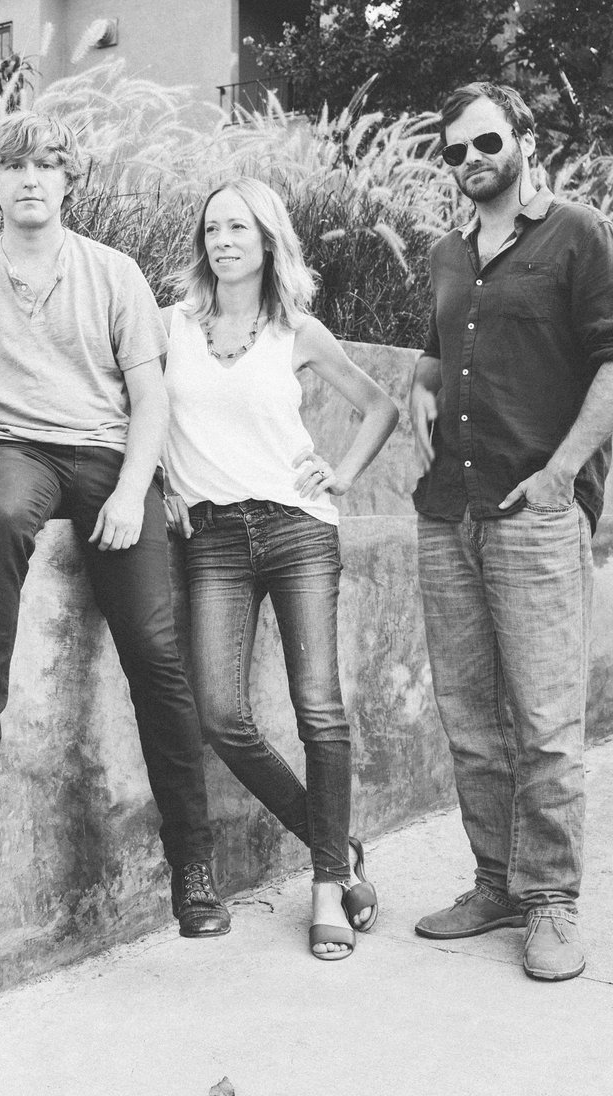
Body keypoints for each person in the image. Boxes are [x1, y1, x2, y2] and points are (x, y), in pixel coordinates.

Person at [0, 110, 230, 938]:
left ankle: (192, 864)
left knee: (154, 650)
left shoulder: (113, 273)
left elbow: (150, 398)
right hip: (14, 448)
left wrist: (131, 492)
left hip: (110, 455)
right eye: (13, 166)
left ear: (67, 182)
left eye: (46, 165)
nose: (30, 179)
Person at [161, 177, 397, 960]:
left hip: (298, 529)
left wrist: (343, 473)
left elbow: (381, 406)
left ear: (268, 241)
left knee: (319, 709)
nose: (222, 241)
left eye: (238, 227)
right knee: (221, 716)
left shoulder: (298, 332)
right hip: (213, 539)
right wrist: (158, 480)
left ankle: (326, 884)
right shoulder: (172, 326)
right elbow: (136, 404)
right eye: (212, 228)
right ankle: (341, 849)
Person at [409, 82, 613, 982]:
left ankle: (552, 899)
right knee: (469, 718)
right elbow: (436, 351)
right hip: (448, 511)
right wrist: (421, 382)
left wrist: (563, 473)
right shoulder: (447, 254)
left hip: (535, 511)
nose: (470, 161)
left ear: (524, 137)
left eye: (485, 142)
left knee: (544, 723)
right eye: (454, 151)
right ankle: (495, 882)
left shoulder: (578, 233)